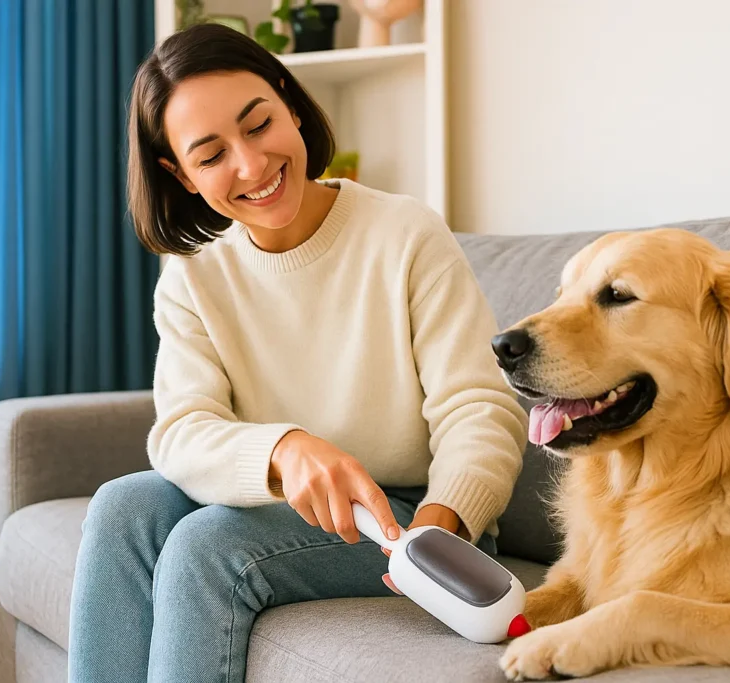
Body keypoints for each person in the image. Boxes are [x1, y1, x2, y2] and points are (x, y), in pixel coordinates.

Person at [66, 21, 528, 683]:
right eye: (212, 153)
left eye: (258, 124)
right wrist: (284, 449)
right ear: (181, 174)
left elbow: (479, 408)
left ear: (289, 101)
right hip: (276, 503)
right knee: (121, 507)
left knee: (207, 545)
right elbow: (182, 432)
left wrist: (434, 531)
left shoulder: (405, 233)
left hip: (410, 517)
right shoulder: (194, 277)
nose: (251, 165)